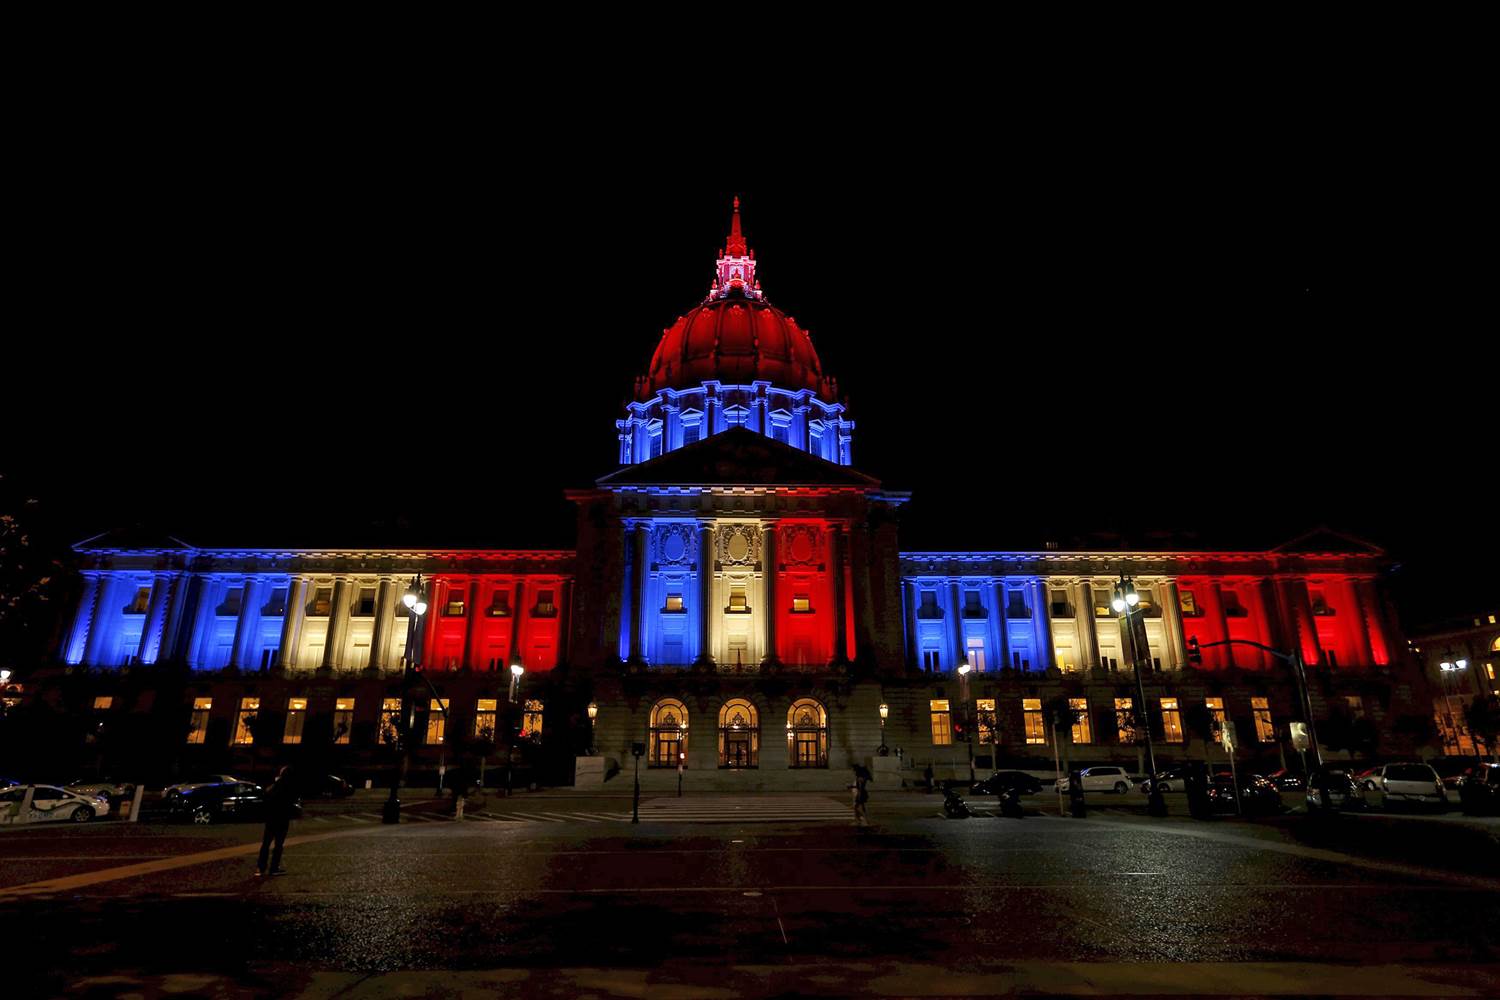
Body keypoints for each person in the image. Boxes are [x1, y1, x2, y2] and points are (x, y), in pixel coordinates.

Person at [256, 766, 298, 877]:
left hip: (271, 818)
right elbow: (291, 801)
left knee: (266, 843)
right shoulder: (288, 787)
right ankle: (274, 868)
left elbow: (265, 797)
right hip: (282, 818)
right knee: (278, 844)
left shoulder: (274, 786)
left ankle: (261, 867)